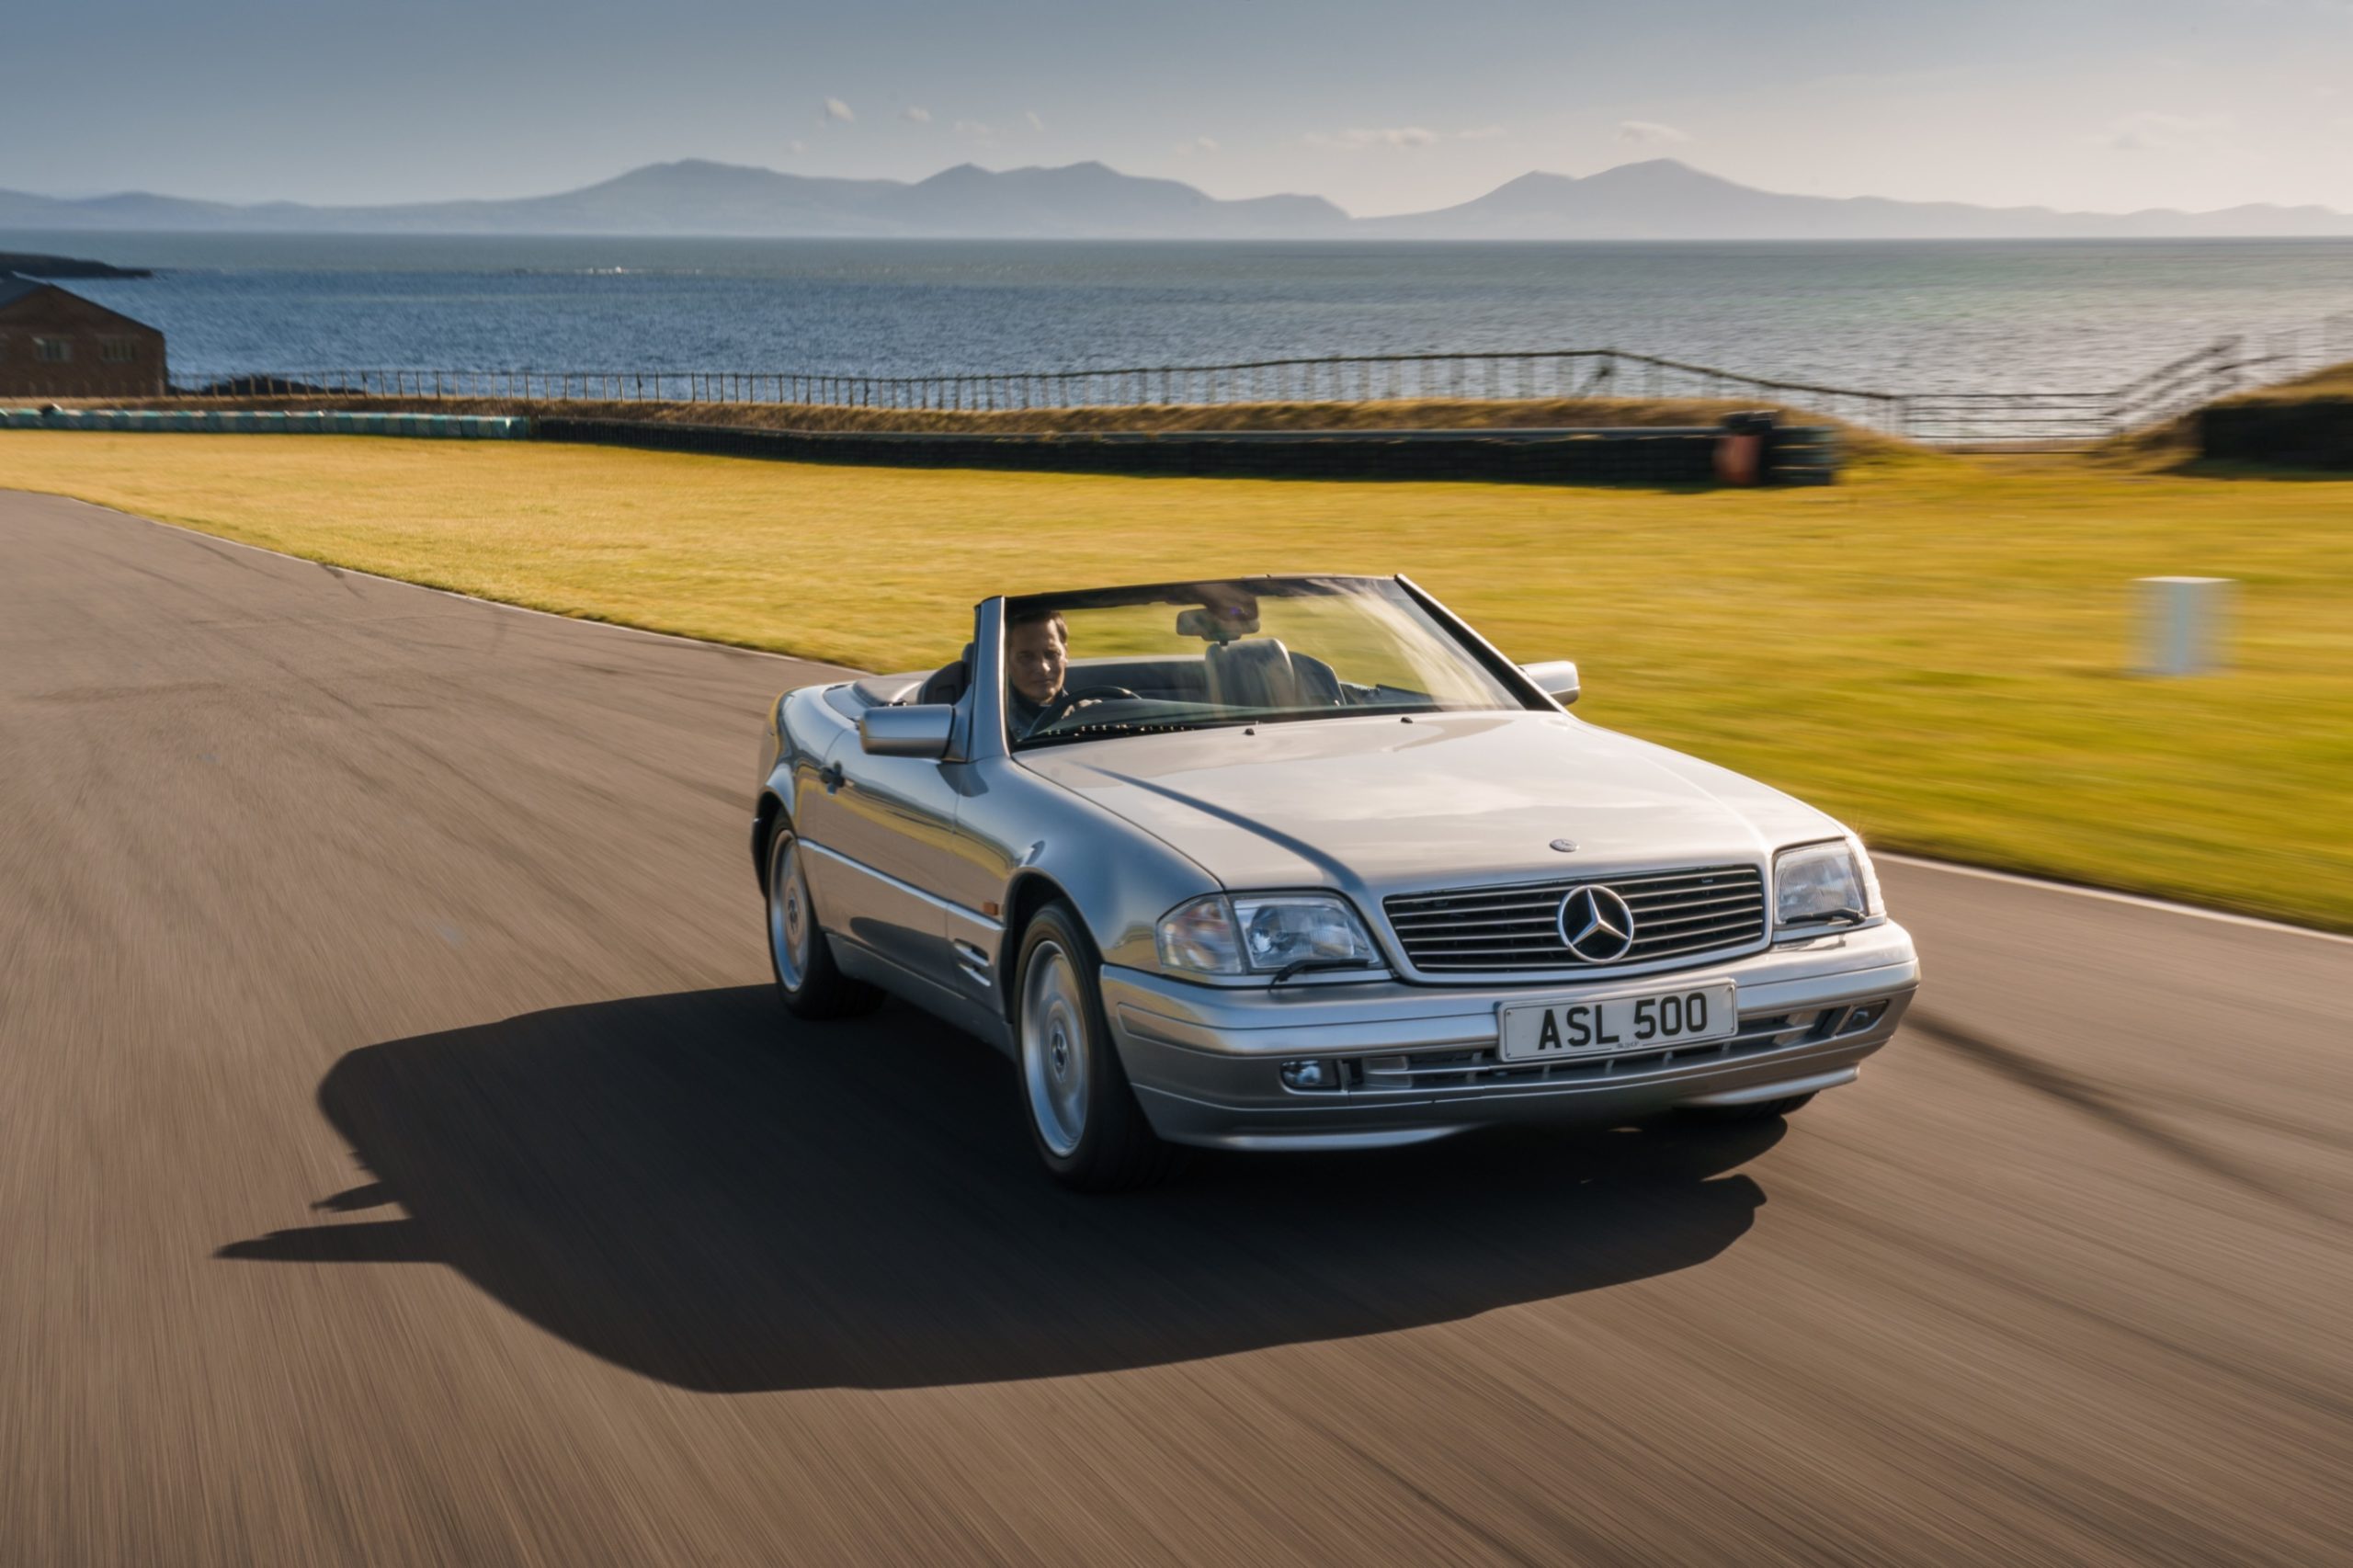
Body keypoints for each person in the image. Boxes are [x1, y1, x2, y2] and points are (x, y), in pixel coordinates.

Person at [1004, 607, 1069, 738]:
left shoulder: (1093, 715)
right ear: (1005, 661)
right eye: (1026, 657)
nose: (1043, 667)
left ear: (1066, 653)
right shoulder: (990, 725)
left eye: (1051, 654)